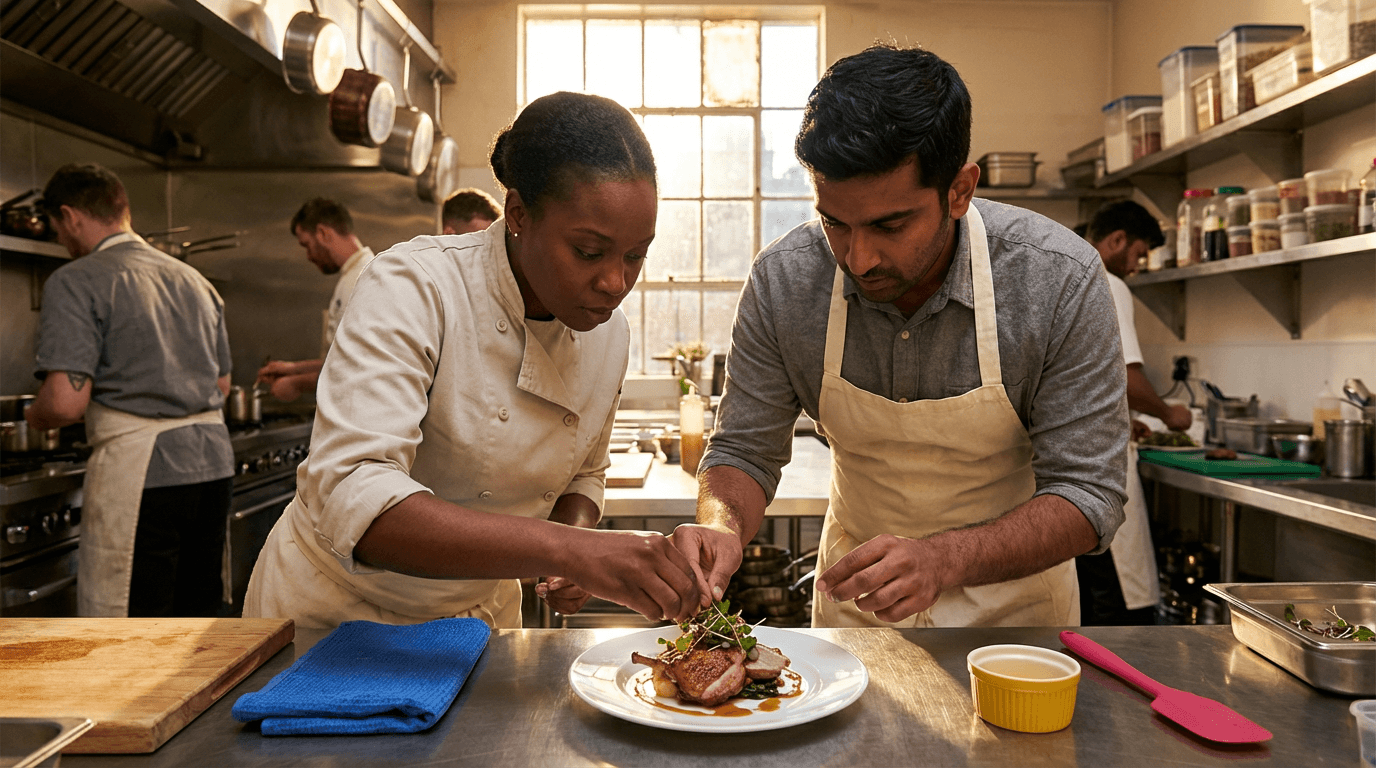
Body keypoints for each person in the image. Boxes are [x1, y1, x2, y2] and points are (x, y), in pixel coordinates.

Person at [673, 44, 1130, 629]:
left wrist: (942, 559)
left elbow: (1090, 493)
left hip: (1016, 625)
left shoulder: (1057, 278)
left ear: (959, 191)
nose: (858, 259)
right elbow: (743, 451)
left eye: (889, 225)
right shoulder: (785, 280)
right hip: (857, 619)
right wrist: (721, 527)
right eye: (834, 222)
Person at [244, 91, 702, 629]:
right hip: (336, 610)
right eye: (588, 252)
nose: (615, 282)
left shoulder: (609, 333)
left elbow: (584, 475)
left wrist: (575, 548)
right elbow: (356, 497)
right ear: (518, 214)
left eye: (636, 255)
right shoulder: (417, 286)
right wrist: (569, 549)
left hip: (477, 617)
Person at [26, 163, 234, 618]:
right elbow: (221, 385)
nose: (61, 239)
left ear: (69, 216)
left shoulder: (76, 279)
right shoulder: (195, 280)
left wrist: (32, 418)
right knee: (199, 619)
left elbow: (64, 402)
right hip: (212, 465)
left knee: (137, 627)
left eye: (58, 228)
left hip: (145, 473)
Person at [1077, 200, 1189, 625]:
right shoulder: (1107, 281)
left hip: (1065, 468)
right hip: (1100, 471)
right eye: (1139, 254)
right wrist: (1168, 413)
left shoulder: (1063, 276)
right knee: (1119, 600)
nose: (1138, 266)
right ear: (1117, 240)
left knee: (1088, 596)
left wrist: (1121, 417)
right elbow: (1125, 375)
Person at [255, 198, 375, 401]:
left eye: (306, 245)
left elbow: (359, 365)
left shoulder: (365, 278)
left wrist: (297, 384)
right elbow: (341, 358)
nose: (308, 256)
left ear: (323, 233)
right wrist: (292, 369)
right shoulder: (352, 276)